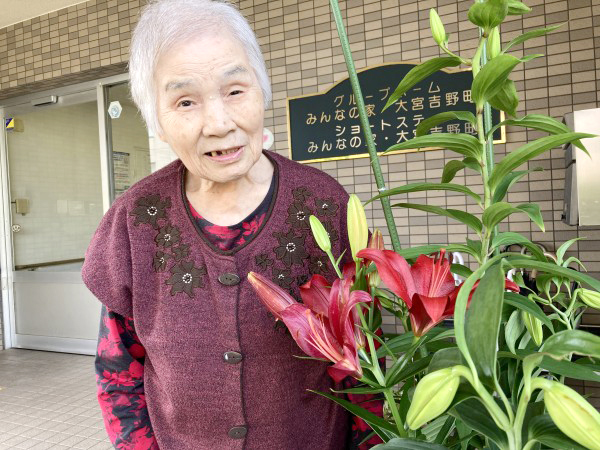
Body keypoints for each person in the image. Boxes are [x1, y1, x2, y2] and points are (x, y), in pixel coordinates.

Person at [83, 1, 381, 448]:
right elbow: (119, 372)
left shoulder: (322, 203)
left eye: (235, 90)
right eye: (185, 101)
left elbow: (364, 355)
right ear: (158, 122)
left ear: (262, 90)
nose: (219, 123)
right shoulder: (135, 220)